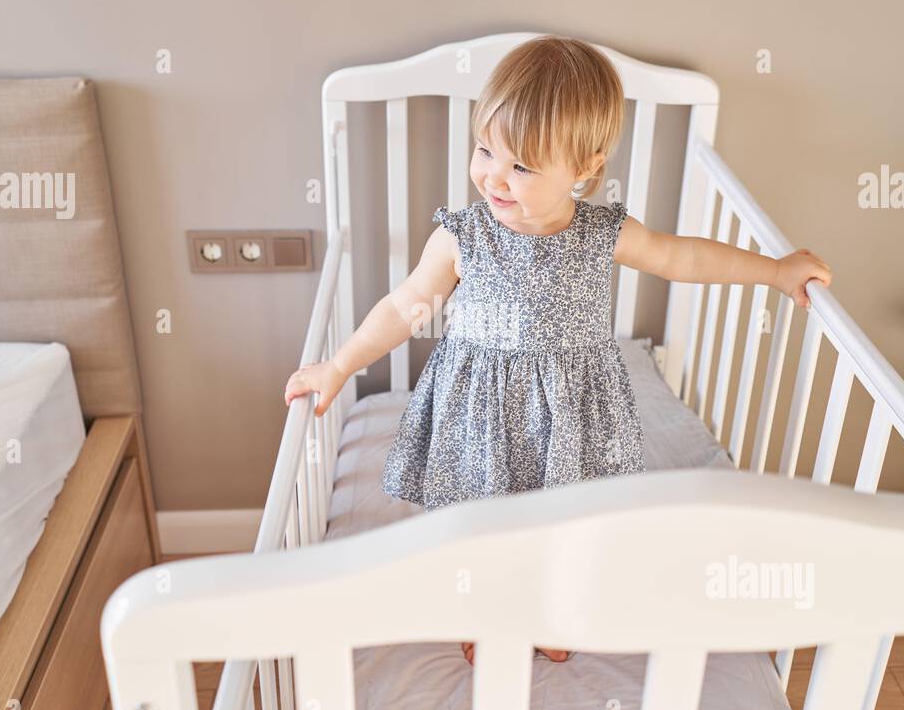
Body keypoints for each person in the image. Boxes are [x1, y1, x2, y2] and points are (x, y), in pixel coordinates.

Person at [284, 35, 832, 665]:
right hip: (481, 414)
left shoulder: (605, 232)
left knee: (566, 524)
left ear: (585, 168)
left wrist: (775, 270)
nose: (494, 176)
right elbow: (404, 308)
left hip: (572, 414)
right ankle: (489, 611)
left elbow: (682, 257)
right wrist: (339, 365)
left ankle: (550, 611)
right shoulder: (462, 236)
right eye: (485, 150)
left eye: (521, 166)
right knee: (482, 527)